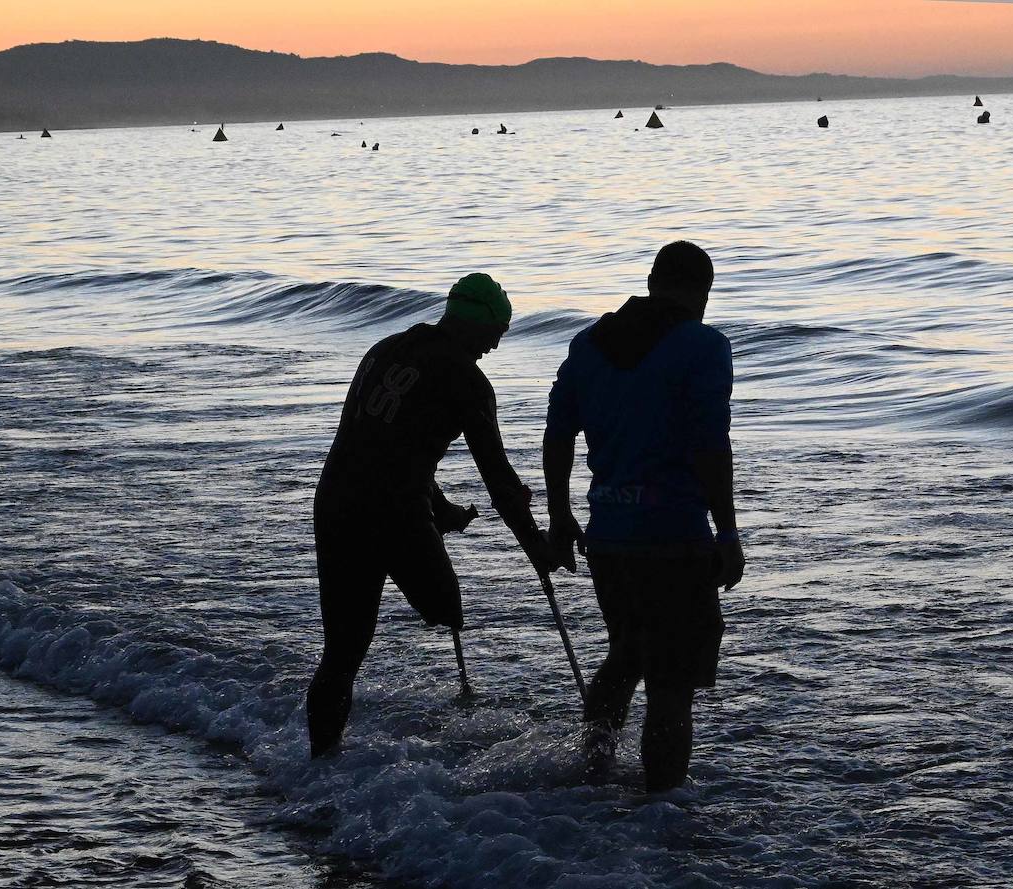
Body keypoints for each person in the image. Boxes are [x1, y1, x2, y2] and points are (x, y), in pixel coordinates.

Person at [306, 273, 556, 758]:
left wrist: (440, 510)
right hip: (391, 510)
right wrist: (535, 547)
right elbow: (499, 479)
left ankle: (320, 767)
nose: (495, 346)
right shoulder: (466, 379)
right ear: (474, 324)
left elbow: (389, 444)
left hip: (336, 501)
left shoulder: (386, 348)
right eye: (495, 333)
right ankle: (437, 736)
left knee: (342, 651)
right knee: (445, 605)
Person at [542, 241, 744, 791]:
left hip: (607, 539)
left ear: (653, 281)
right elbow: (710, 443)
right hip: (673, 540)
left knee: (625, 655)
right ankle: (661, 820)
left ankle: (594, 769)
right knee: (671, 686)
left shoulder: (588, 345)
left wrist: (560, 518)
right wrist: (726, 531)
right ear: (701, 292)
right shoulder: (703, 346)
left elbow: (557, 434)